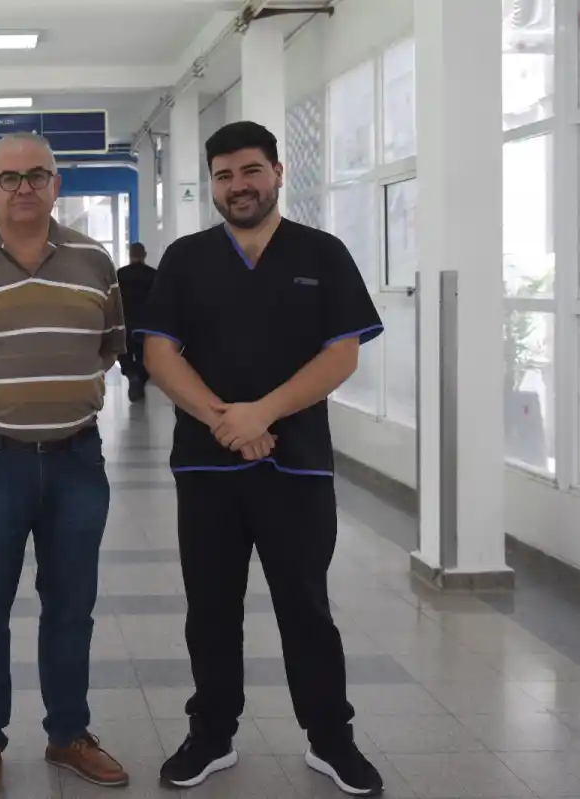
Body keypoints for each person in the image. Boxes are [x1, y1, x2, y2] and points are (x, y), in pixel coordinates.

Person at [139, 121, 385, 796]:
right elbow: (159, 352)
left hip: (296, 465)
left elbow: (342, 353)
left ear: (277, 172)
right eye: (224, 175)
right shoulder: (187, 258)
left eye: (250, 171)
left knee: (305, 605)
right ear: (212, 184)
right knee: (210, 606)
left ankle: (331, 738)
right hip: (208, 465)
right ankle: (211, 733)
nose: (238, 185)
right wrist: (226, 420)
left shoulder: (322, 253)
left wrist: (262, 413)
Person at [0, 132, 130, 799]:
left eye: (37, 174)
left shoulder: (96, 261)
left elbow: (107, 347)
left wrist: (51, 396)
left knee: (72, 605)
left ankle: (68, 733)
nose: (23, 187)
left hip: (77, 458)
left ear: (56, 183)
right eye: (8, 178)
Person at [116, 242, 157, 401]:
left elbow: (113, 300)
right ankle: (139, 378)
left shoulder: (120, 274)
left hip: (125, 323)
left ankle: (132, 376)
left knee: (124, 355)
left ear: (130, 254)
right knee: (145, 357)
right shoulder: (154, 275)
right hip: (146, 326)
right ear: (144, 255)